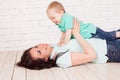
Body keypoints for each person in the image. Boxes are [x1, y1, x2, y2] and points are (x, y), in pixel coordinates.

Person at [17, 19, 120, 70]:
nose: (40, 46)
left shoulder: (55, 48)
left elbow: (65, 39)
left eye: (36, 46)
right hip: (110, 50)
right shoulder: (61, 59)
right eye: (39, 51)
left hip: (104, 40)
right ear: (44, 60)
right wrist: (76, 34)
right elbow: (91, 56)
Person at [46, 1, 120, 46]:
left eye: (53, 18)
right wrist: (60, 42)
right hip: (89, 36)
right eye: (50, 19)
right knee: (107, 40)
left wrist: (64, 44)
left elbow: (68, 33)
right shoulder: (59, 23)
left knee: (109, 36)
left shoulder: (66, 18)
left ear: (61, 12)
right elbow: (63, 33)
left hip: (92, 31)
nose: (52, 21)